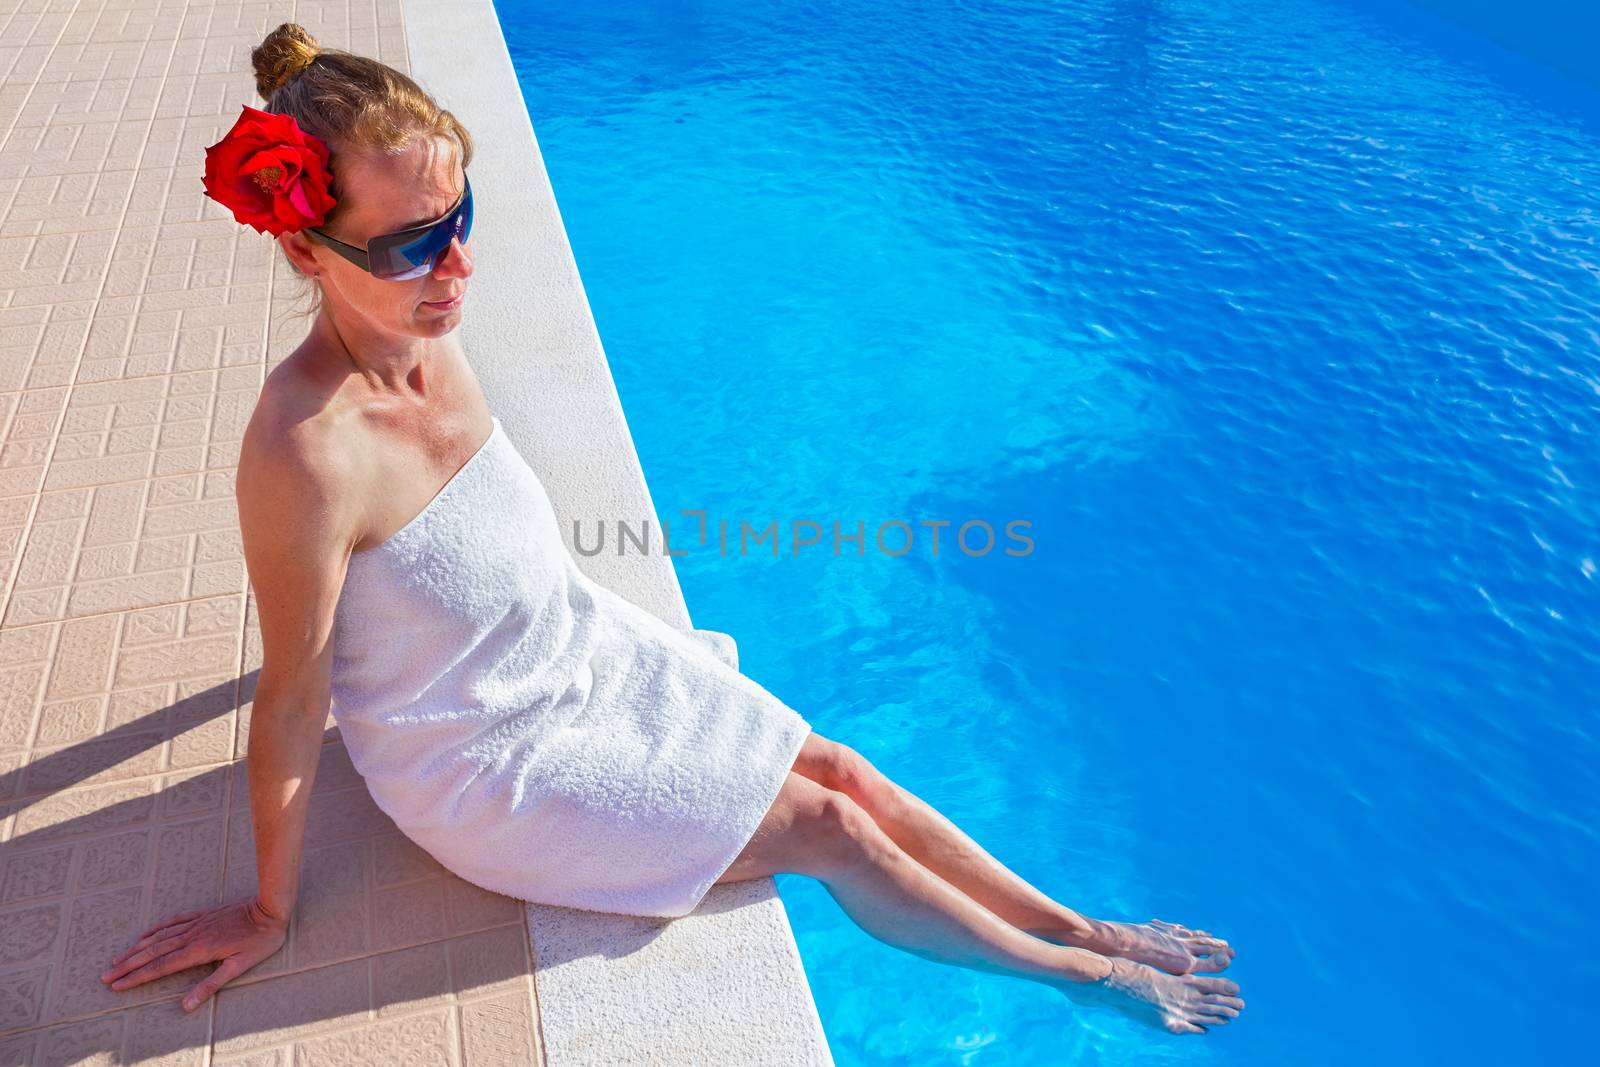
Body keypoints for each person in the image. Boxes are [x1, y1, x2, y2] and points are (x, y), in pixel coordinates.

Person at [98, 22, 1243, 1036]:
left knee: (838, 758)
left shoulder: (429, 334)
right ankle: (1073, 975)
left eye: (460, 218)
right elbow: (293, 695)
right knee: (826, 823)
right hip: (483, 762)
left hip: (570, 654)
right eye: (409, 245)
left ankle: (1081, 921)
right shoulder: (306, 450)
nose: (459, 264)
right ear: (305, 248)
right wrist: (265, 908)